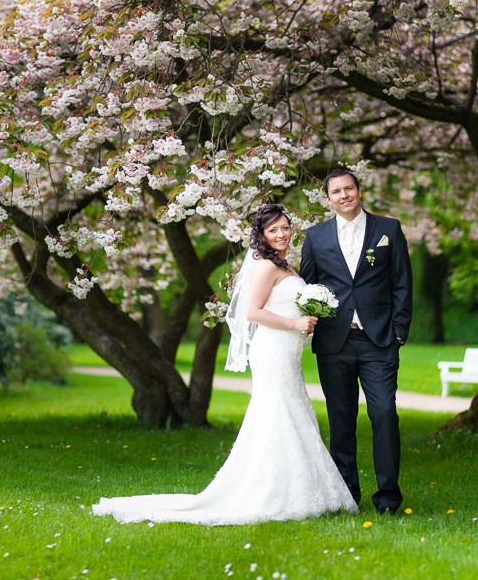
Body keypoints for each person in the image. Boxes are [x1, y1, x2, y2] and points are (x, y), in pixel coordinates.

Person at [91, 203, 357, 525]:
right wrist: (295, 325)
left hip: (288, 351)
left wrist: (309, 315)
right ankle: (275, 491)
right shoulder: (265, 267)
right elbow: (252, 312)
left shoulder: (287, 266)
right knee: (278, 411)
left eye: (285, 227)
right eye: (273, 230)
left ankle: (307, 487)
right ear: (262, 235)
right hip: (272, 350)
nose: (281, 234)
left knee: (293, 408)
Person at [299, 168, 412, 514]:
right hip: (334, 343)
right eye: (337, 191)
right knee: (341, 420)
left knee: (383, 415)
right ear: (328, 198)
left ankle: (388, 498)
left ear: (359, 190)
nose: (344, 195)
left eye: (349, 188)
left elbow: (402, 282)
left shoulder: (388, 229)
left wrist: (398, 330)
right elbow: (307, 287)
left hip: (379, 341)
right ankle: (347, 495)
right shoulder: (315, 237)